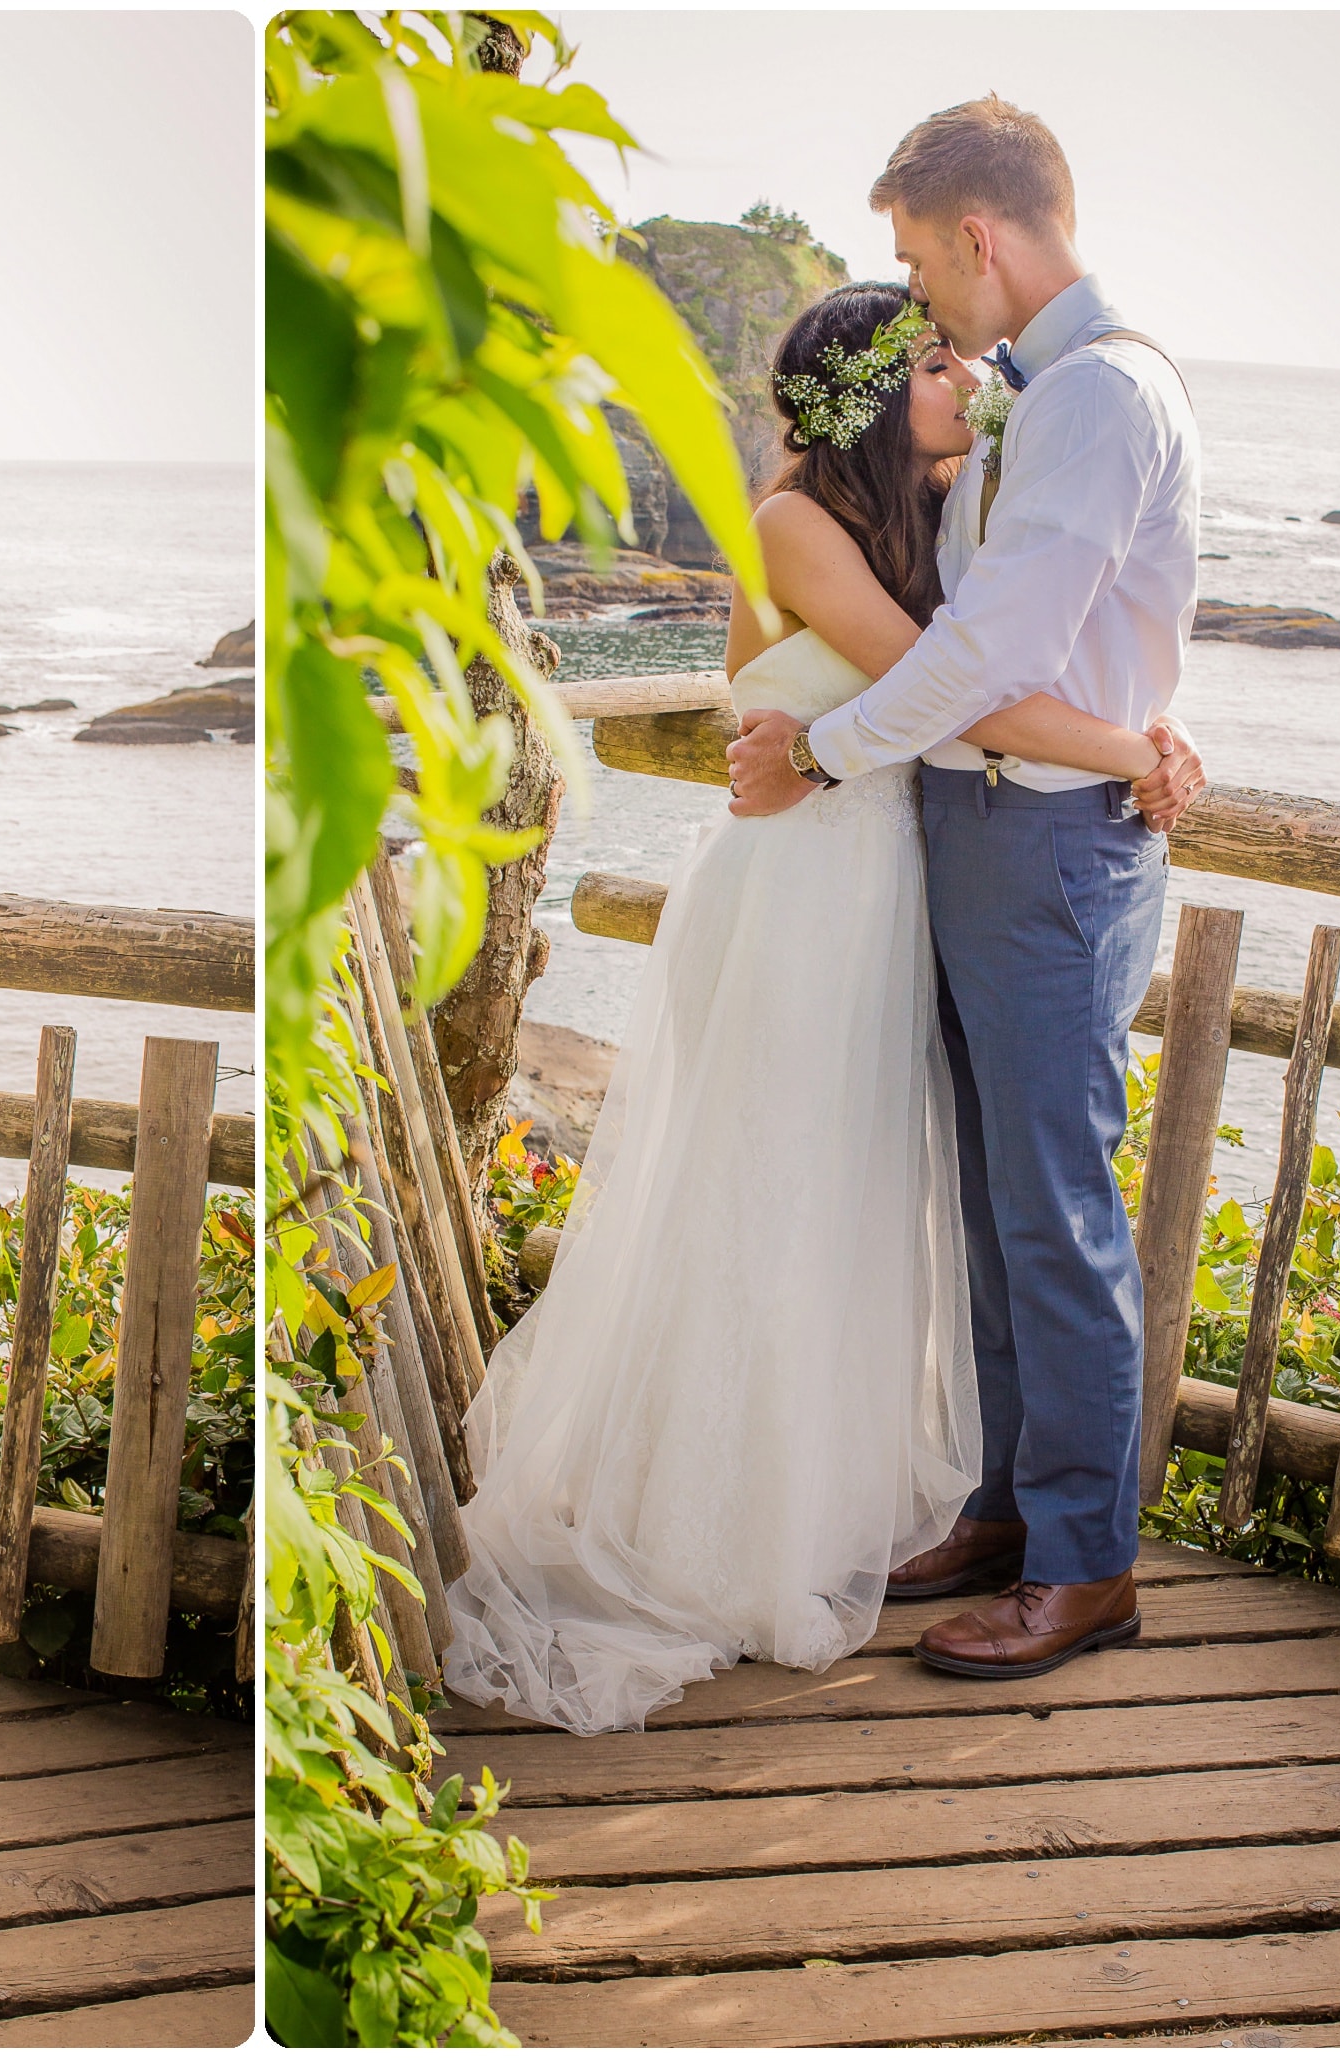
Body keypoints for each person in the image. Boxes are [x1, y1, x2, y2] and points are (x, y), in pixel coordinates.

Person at [441, 279, 1188, 1735]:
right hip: (795, 896)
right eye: (927, 363)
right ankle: (717, 1528)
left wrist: (1139, 720)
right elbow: (949, 686)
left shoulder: (944, 495)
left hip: (874, 895)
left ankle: (901, 1512)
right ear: (861, 395)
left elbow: (1046, 603)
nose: (962, 379)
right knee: (760, 1195)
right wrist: (1137, 748)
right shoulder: (792, 519)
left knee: (843, 1200)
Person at [728, 97, 1210, 1682]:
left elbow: (992, 654)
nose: (920, 296)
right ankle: (1009, 1506)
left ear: (982, 240)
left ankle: (1087, 1566)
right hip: (984, 830)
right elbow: (1024, 626)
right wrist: (1131, 721)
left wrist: (831, 750)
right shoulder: (1029, 397)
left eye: (921, 263)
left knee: (1059, 1216)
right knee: (1002, 1208)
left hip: (1052, 845)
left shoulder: (1098, 400)